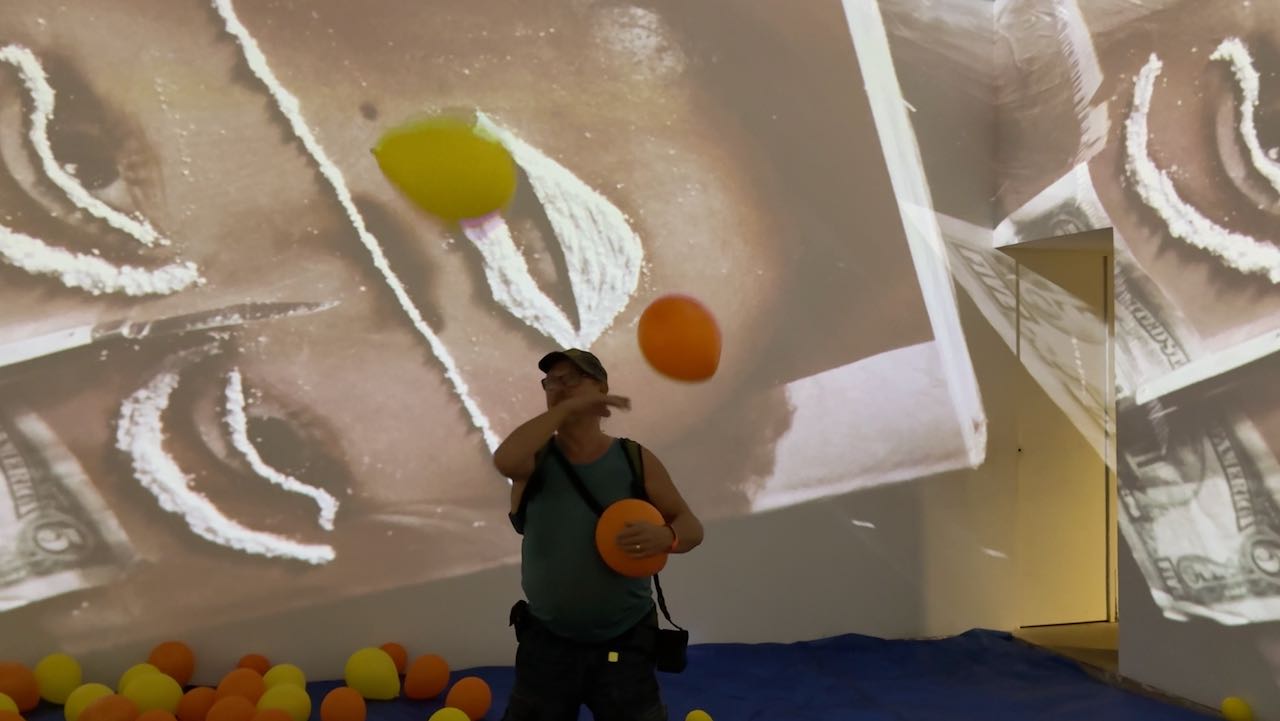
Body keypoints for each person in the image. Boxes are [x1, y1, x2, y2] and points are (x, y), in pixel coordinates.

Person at [492, 348, 703, 721]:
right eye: (551, 382)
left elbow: (691, 527)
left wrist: (666, 536)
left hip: (625, 642)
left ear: (601, 388)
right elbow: (504, 460)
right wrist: (565, 408)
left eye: (571, 379)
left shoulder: (633, 459)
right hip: (548, 646)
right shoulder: (534, 460)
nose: (559, 387)